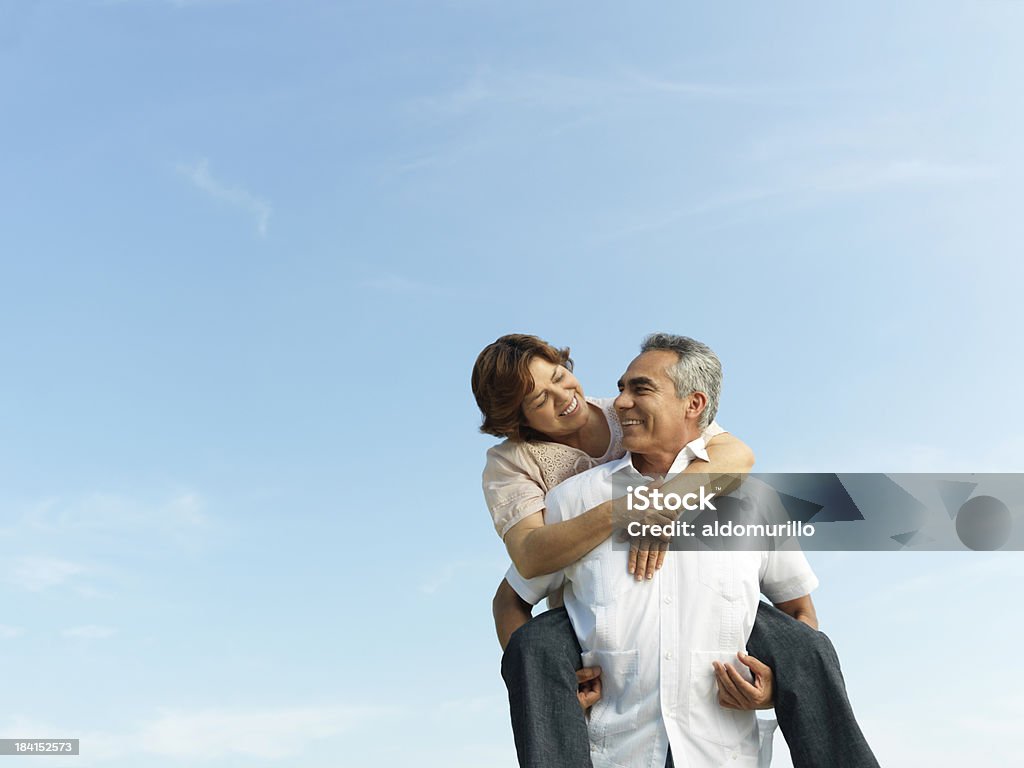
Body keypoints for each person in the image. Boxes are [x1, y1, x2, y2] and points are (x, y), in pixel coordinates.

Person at [472, 333, 879, 768]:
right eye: (538, 400)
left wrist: (664, 505)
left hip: (718, 741)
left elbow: (737, 454)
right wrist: (552, 695)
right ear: (517, 420)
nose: (622, 401)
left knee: (807, 649)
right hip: (593, 636)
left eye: (559, 377)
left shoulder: (737, 490)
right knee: (534, 646)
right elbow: (527, 563)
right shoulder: (541, 482)